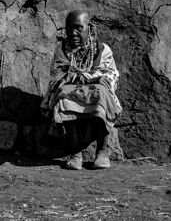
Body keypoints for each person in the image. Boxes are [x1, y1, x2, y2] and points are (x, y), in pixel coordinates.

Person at [40, 9, 122, 170]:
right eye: (70, 28)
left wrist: (86, 78)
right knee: (64, 95)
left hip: (96, 92)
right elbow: (57, 77)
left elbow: (110, 75)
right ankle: (75, 153)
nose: (73, 33)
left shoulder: (102, 49)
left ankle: (102, 152)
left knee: (102, 93)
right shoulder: (61, 49)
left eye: (78, 28)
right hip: (74, 91)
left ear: (89, 28)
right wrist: (79, 78)